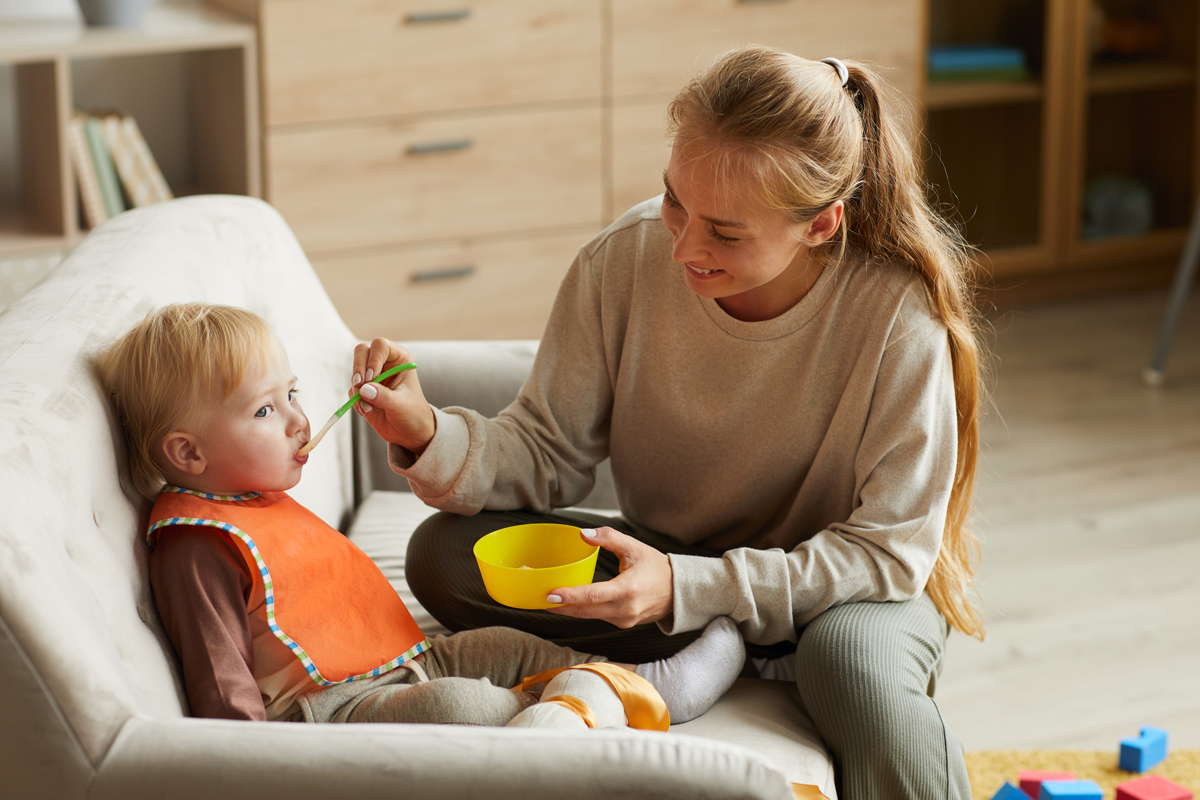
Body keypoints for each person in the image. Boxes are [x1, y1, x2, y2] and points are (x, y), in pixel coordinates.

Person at [348, 46, 985, 799]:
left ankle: (724, 638)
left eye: (726, 231)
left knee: (849, 667)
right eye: (674, 199)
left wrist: (695, 586)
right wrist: (428, 433)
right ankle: (721, 642)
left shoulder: (897, 319)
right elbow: (547, 445)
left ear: (820, 226)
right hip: (675, 564)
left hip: (840, 595)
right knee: (445, 554)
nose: (681, 246)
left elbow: (886, 555)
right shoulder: (624, 259)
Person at [96, 302, 746, 731]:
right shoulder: (196, 544)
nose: (299, 419)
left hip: (408, 661)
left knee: (503, 646)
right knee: (459, 704)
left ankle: (631, 681)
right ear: (188, 452)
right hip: (335, 710)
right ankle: (583, 709)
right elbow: (221, 687)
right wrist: (260, 766)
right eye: (266, 411)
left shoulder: (254, 501)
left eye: (292, 395)